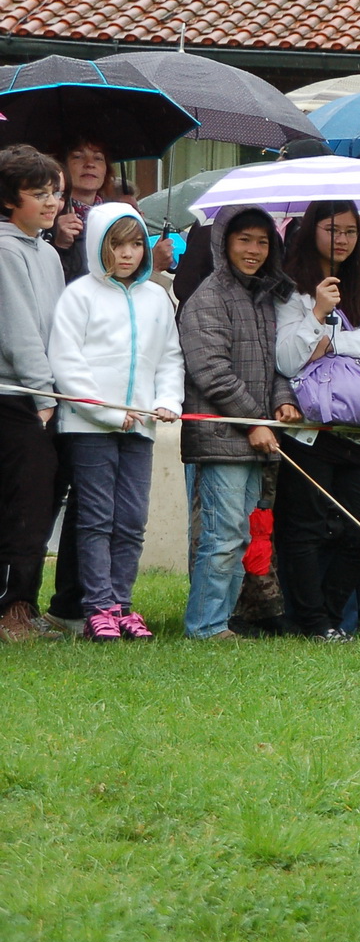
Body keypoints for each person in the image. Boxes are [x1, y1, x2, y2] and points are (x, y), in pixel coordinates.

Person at [48, 204, 184, 642]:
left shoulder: (156, 299)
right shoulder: (79, 296)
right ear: (99, 246)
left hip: (140, 428)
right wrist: (107, 411)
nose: (127, 254)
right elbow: (67, 364)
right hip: (90, 428)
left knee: (131, 519)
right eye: (117, 244)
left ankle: (123, 605)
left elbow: (169, 358)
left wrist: (166, 401)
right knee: (95, 519)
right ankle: (98, 608)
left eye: (136, 244)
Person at [274, 200, 360, 642]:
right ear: (312, 231)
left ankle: (323, 615)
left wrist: (334, 341)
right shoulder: (290, 282)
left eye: (349, 231)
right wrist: (316, 313)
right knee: (304, 528)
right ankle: (312, 622)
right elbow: (287, 358)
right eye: (332, 230)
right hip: (311, 425)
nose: (342, 240)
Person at [178, 205, 300, 641]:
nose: (253, 250)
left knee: (240, 535)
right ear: (224, 242)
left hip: (256, 435)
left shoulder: (266, 298)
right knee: (222, 534)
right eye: (244, 240)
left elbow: (276, 366)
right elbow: (210, 370)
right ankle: (206, 626)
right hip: (220, 435)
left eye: (262, 242)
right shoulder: (208, 297)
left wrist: (283, 403)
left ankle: (219, 622)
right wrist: (254, 421)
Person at [0, 145, 68, 642]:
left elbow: (58, 328)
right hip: (15, 399)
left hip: (45, 397)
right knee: (22, 503)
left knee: (42, 501)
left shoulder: (46, 251)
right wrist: (44, 397)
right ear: (9, 199)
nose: (51, 202)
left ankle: (25, 602)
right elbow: (18, 331)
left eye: (56, 192)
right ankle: (11, 609)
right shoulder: (4, 250)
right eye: (39, 193)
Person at [45, 137, 115, 283]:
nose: (90, 164)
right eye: (78, 156)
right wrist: (60, 246)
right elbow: (45, 281)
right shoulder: (46, 216)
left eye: (98, 158)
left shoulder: (116, 216)